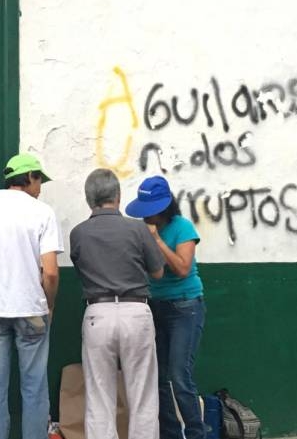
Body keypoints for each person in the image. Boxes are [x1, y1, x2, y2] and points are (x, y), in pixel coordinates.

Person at [0, 153, 62, 439]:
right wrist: (49, 305)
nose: (40, 189)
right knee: (34, 387)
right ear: (29, 177)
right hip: (31, 309)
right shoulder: (42, 212)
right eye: (39, 181)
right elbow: (51, 272)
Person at [70, 168, 165, 439]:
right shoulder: (137, 229)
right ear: (118, 196)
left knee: (99, 396)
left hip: (97, 312)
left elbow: (80, 269)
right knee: (143, 395)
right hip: (136, 311)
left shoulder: (78, 233)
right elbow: (158, 272)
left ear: (89, 199)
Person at [125, 175, 206, 439]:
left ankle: (196, 434)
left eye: (151, 211)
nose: (146, 217)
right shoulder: (141, 229)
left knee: (179, 376)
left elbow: (182, 268)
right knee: (158, 378)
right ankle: (171, 434)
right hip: (155, 306)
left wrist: (157, 241)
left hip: (185, 306)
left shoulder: (182, 227)